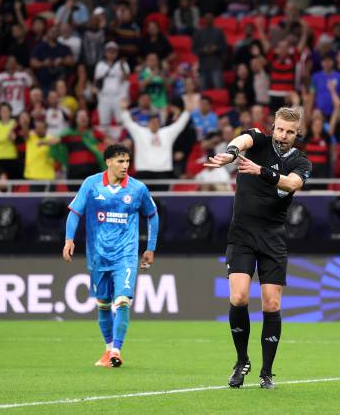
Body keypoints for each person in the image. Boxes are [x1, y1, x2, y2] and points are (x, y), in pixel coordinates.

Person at [204, 106, 312, 389]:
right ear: (273, 127)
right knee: (239, 298)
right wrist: (230, 154)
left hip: (272, 238)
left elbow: (292, 184)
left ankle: (266, 372)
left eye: (290, 131)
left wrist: (261, 171)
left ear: (297, 133)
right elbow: (242, 141)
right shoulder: (259, 141)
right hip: (241, 235)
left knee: (271, 304)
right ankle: (242, 361)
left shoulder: (301, 161)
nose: (283, 135)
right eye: (279, 129)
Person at [62, 144, 159, 368]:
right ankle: (107, 350)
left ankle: (116, 350)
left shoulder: (138, 189)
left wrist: (150, 247)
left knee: (122, 301)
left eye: (127, 161)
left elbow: (152, 216)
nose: (125, 166)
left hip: (125, 255)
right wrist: (69, 239)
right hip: (97, 256)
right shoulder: (91, 184)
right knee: (104, 304)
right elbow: (75, 212)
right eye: (120, 161)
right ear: (108, 162)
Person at [119, 99, 190, 186]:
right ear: (148, 124)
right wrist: (123, 110)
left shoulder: (167, 132)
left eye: (157, 122)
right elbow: (128, 122)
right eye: (152, 122)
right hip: (144, 171)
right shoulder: (140, 132)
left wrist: (186, 112)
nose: (154, 124)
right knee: (144, 198)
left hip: (163, 171)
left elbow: (180, 124)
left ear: (159, 124)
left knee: (162, 198)